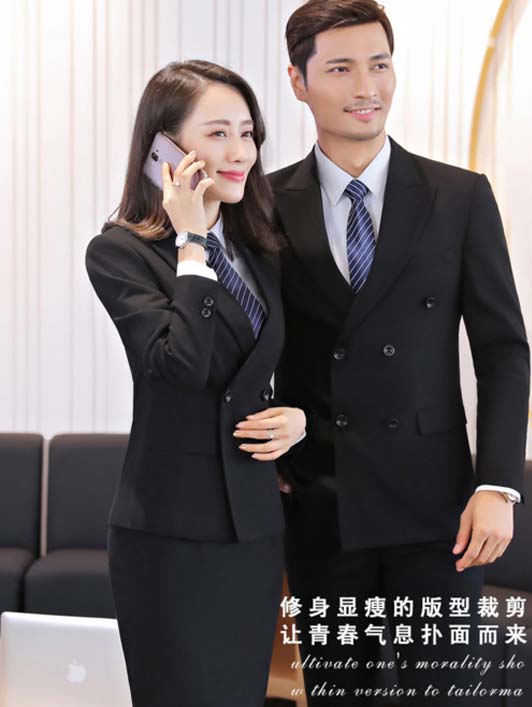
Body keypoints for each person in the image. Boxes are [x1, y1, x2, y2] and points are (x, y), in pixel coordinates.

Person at [268, 1, 530, 704]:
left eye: (379, 64)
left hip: (440, 510)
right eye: (341, 68)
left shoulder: (459, 196)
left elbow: (503, 350)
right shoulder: (264, 203)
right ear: (298, 80)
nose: (367, 87)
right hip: (321, 505)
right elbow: (242, 344)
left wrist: (497, 484)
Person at [85, 60, 306, 707]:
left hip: (253, 529)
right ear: (164, 148)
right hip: (170, 533)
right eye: (218, 133)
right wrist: (190, 239)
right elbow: (180, 367)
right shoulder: (120, 253)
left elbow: (267, 370)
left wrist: (296, 420)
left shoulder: (260, 249)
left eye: (248, 133)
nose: (241, 152)